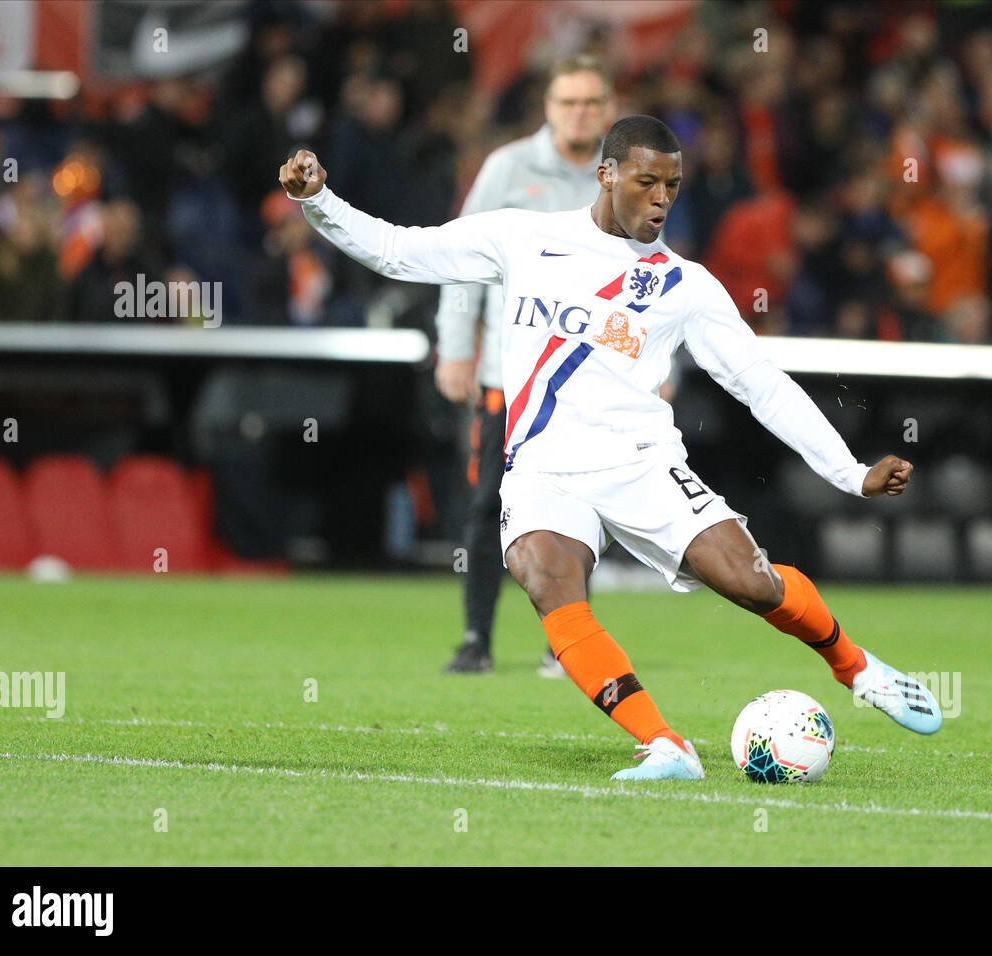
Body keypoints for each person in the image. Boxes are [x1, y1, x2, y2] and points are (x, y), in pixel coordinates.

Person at [279, 115, 942, 781]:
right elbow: (400, 250)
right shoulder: (524, 236)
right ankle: (664, 745)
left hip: (641, 462)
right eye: (646, 181)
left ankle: (856, 667)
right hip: (543, 465)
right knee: (545, 575)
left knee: (751, 583)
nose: (661, 198)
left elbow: (761, 385)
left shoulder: (686, 286)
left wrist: (850, 472)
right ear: (606, 174)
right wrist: (317, 200)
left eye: (673, 186)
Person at [435, 55, 616, 677]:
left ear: (608, 109)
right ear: (548, 107)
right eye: (569, 102)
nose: (579, 114)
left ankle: (563, 643)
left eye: (590, 103)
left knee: (579, 509)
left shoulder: (620, 178)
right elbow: (461, 260)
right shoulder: (508, 169)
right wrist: (455, 346)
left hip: (586, 378)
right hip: (507, 376)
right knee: (490, 506)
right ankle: (475, 637)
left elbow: (649, 277)